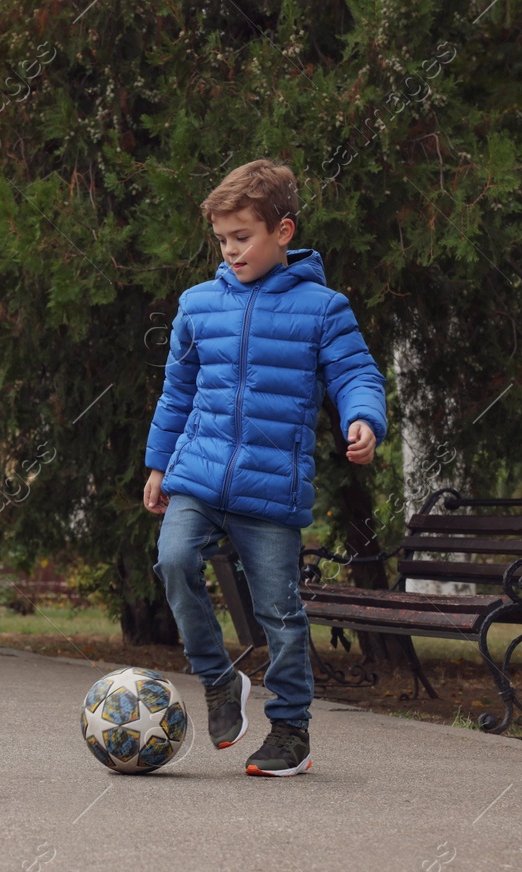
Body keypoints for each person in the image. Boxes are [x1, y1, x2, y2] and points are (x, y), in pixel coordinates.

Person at [143, 158, 387, 777]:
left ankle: (291, 730)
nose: (230, 251)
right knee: (173, 560)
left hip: (271, 486)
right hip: (197, 473)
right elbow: (176, 392)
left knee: (279, 608)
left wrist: (364, 419)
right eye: (222, 239)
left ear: (283, 232)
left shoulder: (323, 308)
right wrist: (157, 465)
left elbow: (356, 373)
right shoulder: (197, 305)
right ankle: (219, 680)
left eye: (242, 237)